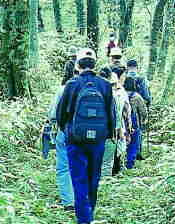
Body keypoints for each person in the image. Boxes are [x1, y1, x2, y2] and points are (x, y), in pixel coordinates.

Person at [56, 49, 116, 224]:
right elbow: (111, 113)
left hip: (76, 141)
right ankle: (90, 211)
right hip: (98, 141)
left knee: (78, 178)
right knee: (93, 177)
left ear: (78, 64)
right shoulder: (105, 85)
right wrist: (108, 135)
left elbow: (61, 115)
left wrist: (68, 132)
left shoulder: (72, 84)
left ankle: (84, 219)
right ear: (94, 64)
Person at [47, 58, 81, 210]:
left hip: (66, 133)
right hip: (86, 135)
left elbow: (53, 114)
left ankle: (68, 202)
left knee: (64, 168)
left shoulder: (63, 89)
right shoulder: (93, 87)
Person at [124, 77, 148, 169]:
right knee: (133, 143)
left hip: (123, 121)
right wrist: (142, 121)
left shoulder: (121, 94)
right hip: (134, 122)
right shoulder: (137, 96)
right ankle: (130, 164)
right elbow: (143, 112)